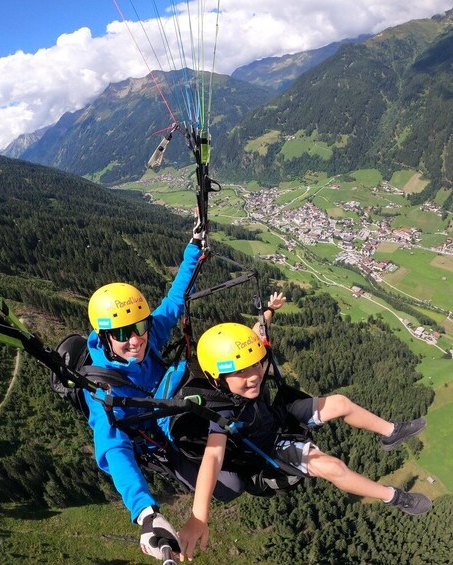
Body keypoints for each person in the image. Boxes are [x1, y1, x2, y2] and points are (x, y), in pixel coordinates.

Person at [177, 294, 432, 561]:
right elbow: (213, 458)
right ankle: (395, 498)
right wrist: (198, 517)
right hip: (270, 451)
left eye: (255, 365)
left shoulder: (236, 367)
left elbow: (253, 338)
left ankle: (391, 432)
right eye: (241, 372)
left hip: (276, 417)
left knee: (339, 402)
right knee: (332, 467)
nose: (253, 376)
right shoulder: (220, 410)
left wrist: (267, 313)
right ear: (217, 378)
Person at [83, 216, 204, 561]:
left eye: (139, 327)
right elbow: (113, 449)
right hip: (156, 433)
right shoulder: (102, 388)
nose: (134, 340)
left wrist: (193, 248)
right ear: (106, 337)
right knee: (222, 484)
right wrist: (146, 512)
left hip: (171, 406)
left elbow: (175, 299)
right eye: (122, 333)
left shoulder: (147, 340)